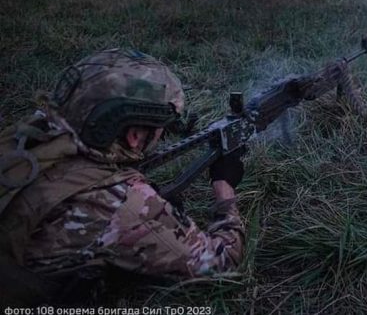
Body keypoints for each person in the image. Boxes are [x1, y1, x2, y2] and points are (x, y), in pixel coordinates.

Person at [0, 48, 245, 305]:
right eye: (161, 126)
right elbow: (220, 266)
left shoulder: (29, 135)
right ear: (134, 136)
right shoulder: (118, 203)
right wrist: (224, 188)